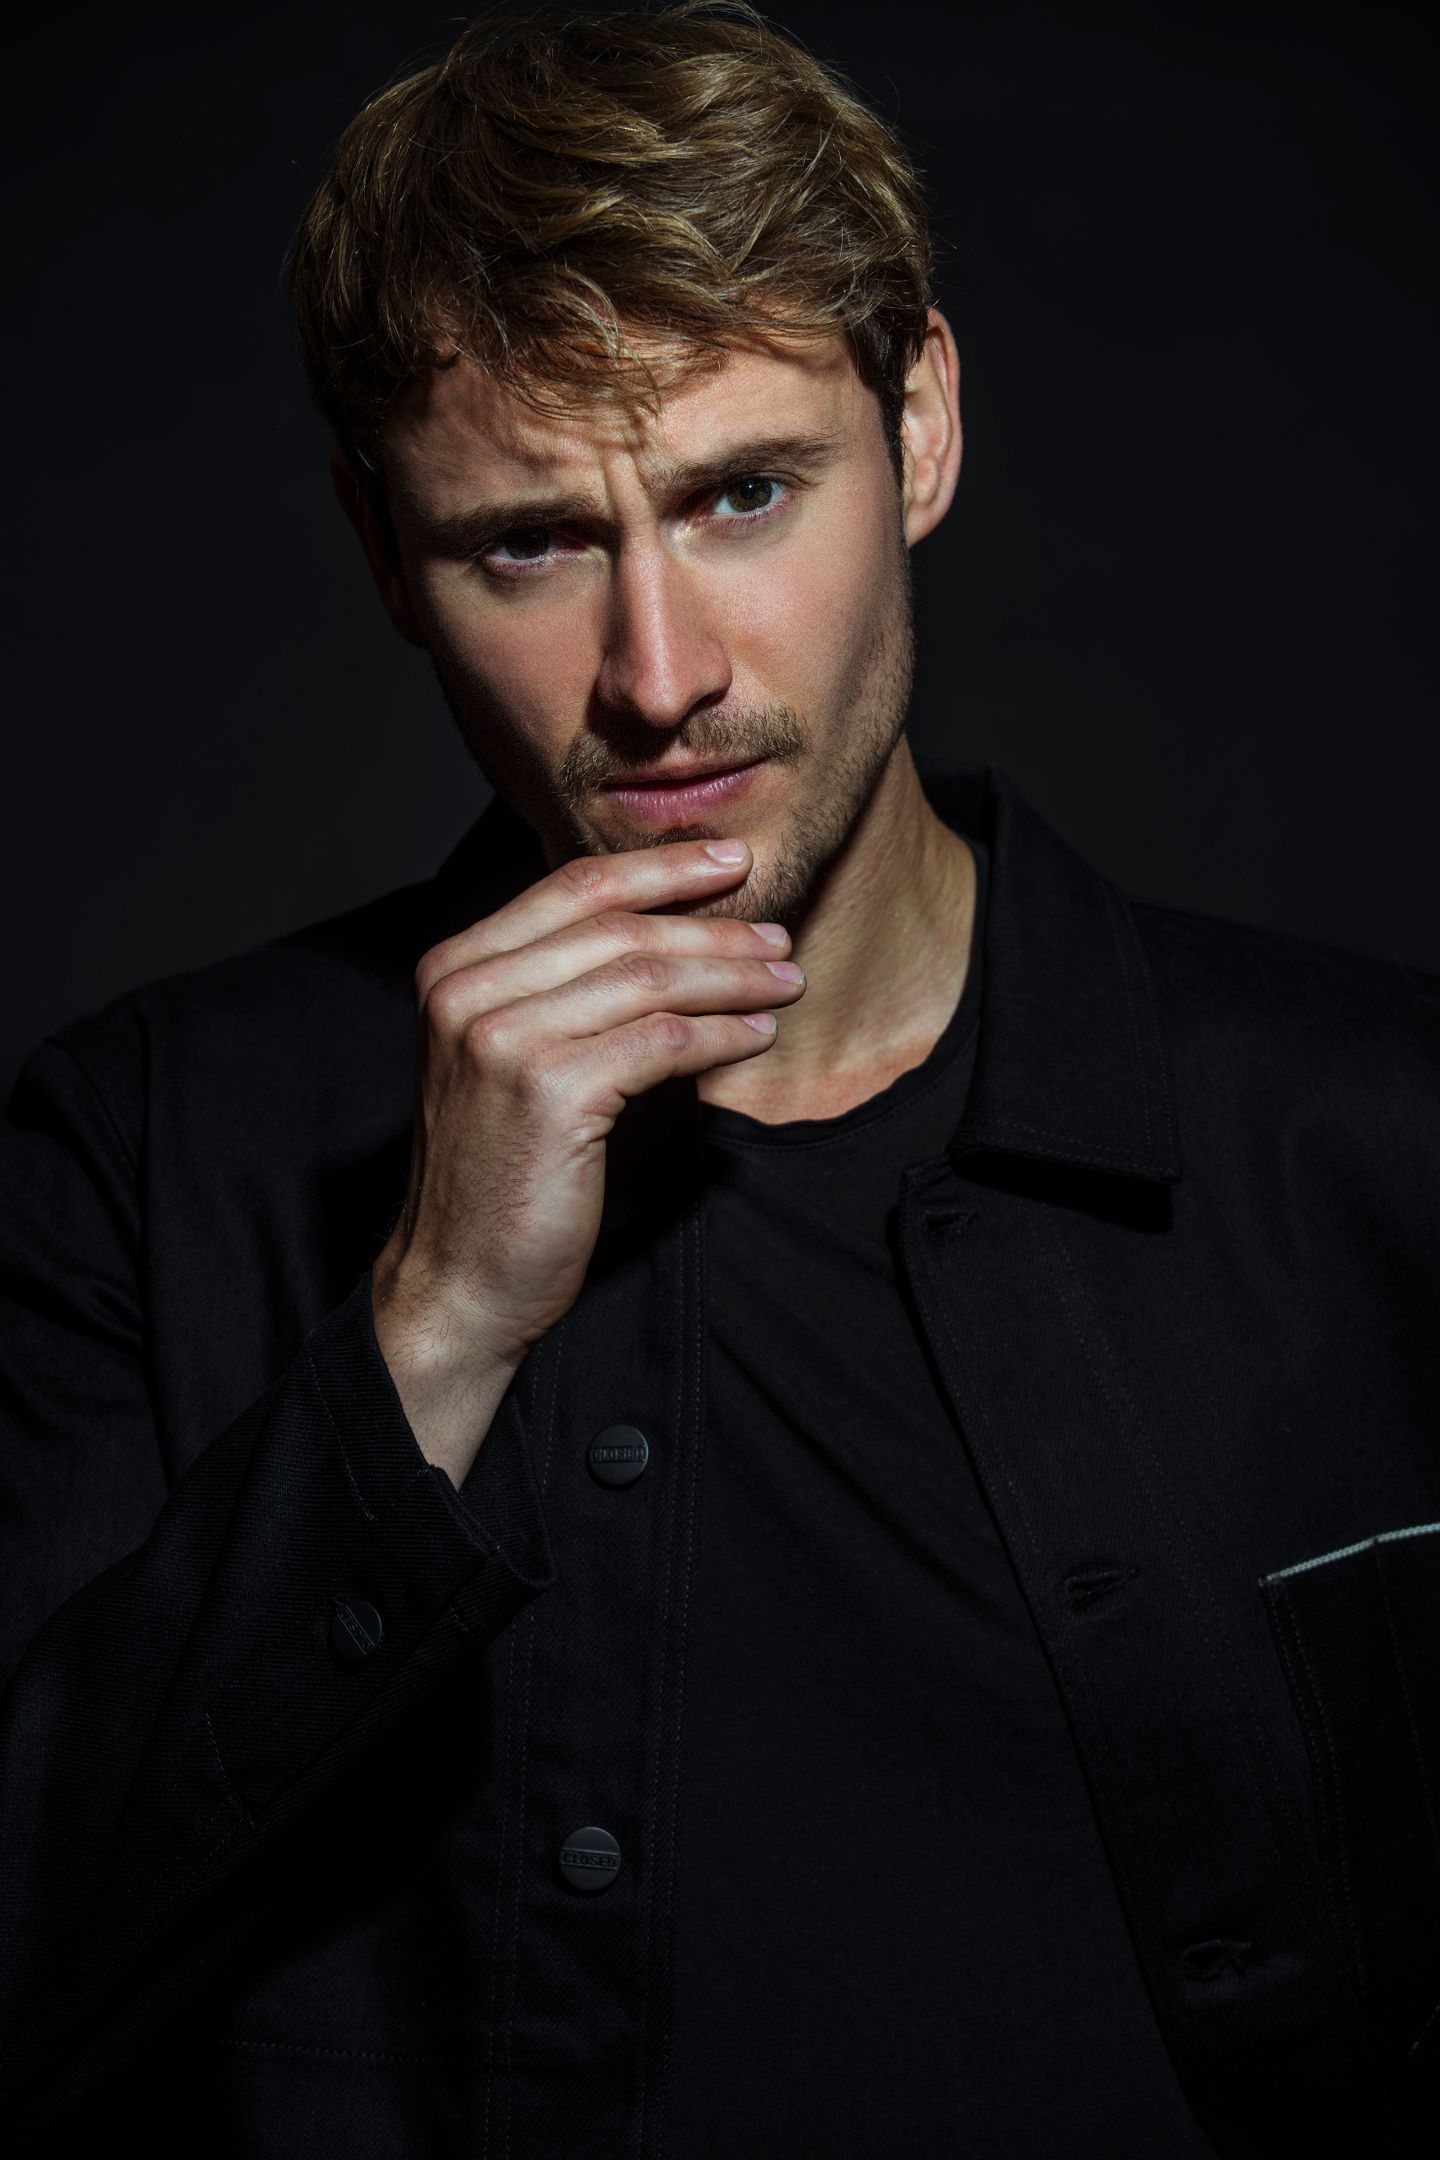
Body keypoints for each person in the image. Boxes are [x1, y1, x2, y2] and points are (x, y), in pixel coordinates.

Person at [1, 3, 1436, 2153]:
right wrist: (430, 1333)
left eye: (742, 494)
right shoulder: (141, 1152)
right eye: (527, 543)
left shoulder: (1386, 1137)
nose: (658, 679)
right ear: (384, 554)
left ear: (920, 428)